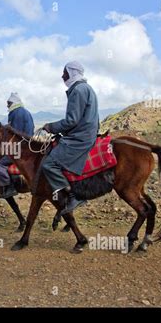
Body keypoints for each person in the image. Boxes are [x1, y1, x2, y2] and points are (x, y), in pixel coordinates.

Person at [41, 61, 99, 214]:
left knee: (49, 164)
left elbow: (71, 120)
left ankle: (74, 195)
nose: (62, 76)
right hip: (85, 133)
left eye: (64, 72)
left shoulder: (78, 90)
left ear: (72, 72)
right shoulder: (86, 88)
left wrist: (50, 127)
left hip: (80, 138)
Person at [0, 92, 34, 198]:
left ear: (13, 102)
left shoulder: (16, 113)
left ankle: (9, 188)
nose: (7, 106)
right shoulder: (25, 112)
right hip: (28, 146)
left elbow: (15, 135)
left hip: (20, 149)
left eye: (8, 103)